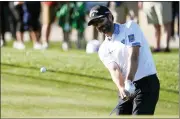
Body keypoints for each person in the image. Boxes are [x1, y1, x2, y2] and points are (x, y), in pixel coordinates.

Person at [88, 5, 160, 115]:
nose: (99, 25)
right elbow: (114, 70)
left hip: (146, 84)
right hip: (126, 87)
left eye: (100, 20)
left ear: (110, 17)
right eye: (96, 24)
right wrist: (121, 87)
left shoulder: (130, 27)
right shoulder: (103, 49)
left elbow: (134, 55)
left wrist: (128, 81)